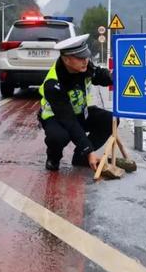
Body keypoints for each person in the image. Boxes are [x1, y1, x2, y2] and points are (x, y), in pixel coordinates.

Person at [38, 34, 115, 172]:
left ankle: (80, 158)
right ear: (66, 59)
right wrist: (89, 151)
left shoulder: (84, 67)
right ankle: (53, 159)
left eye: (86, 56)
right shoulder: (53, 83)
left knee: (110, 120)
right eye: (80, 58)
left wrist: (115, 76)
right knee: (58, 137)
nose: (85, 61)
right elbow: (69, 121)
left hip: (80, 113)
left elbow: (99, 75)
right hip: (57, 118)